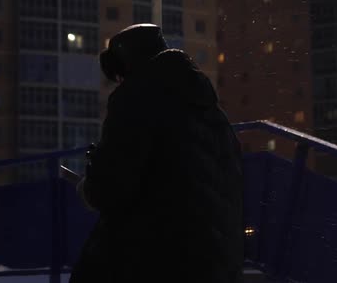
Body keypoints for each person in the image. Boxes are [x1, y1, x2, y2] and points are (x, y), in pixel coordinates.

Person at [69, 24, 244, 283]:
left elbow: (109, 188)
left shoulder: (135, 98)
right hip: (220, 260)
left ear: (127, 65)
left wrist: (88, 186)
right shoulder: (211, 112)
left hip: (163, 258)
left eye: (119, 76)